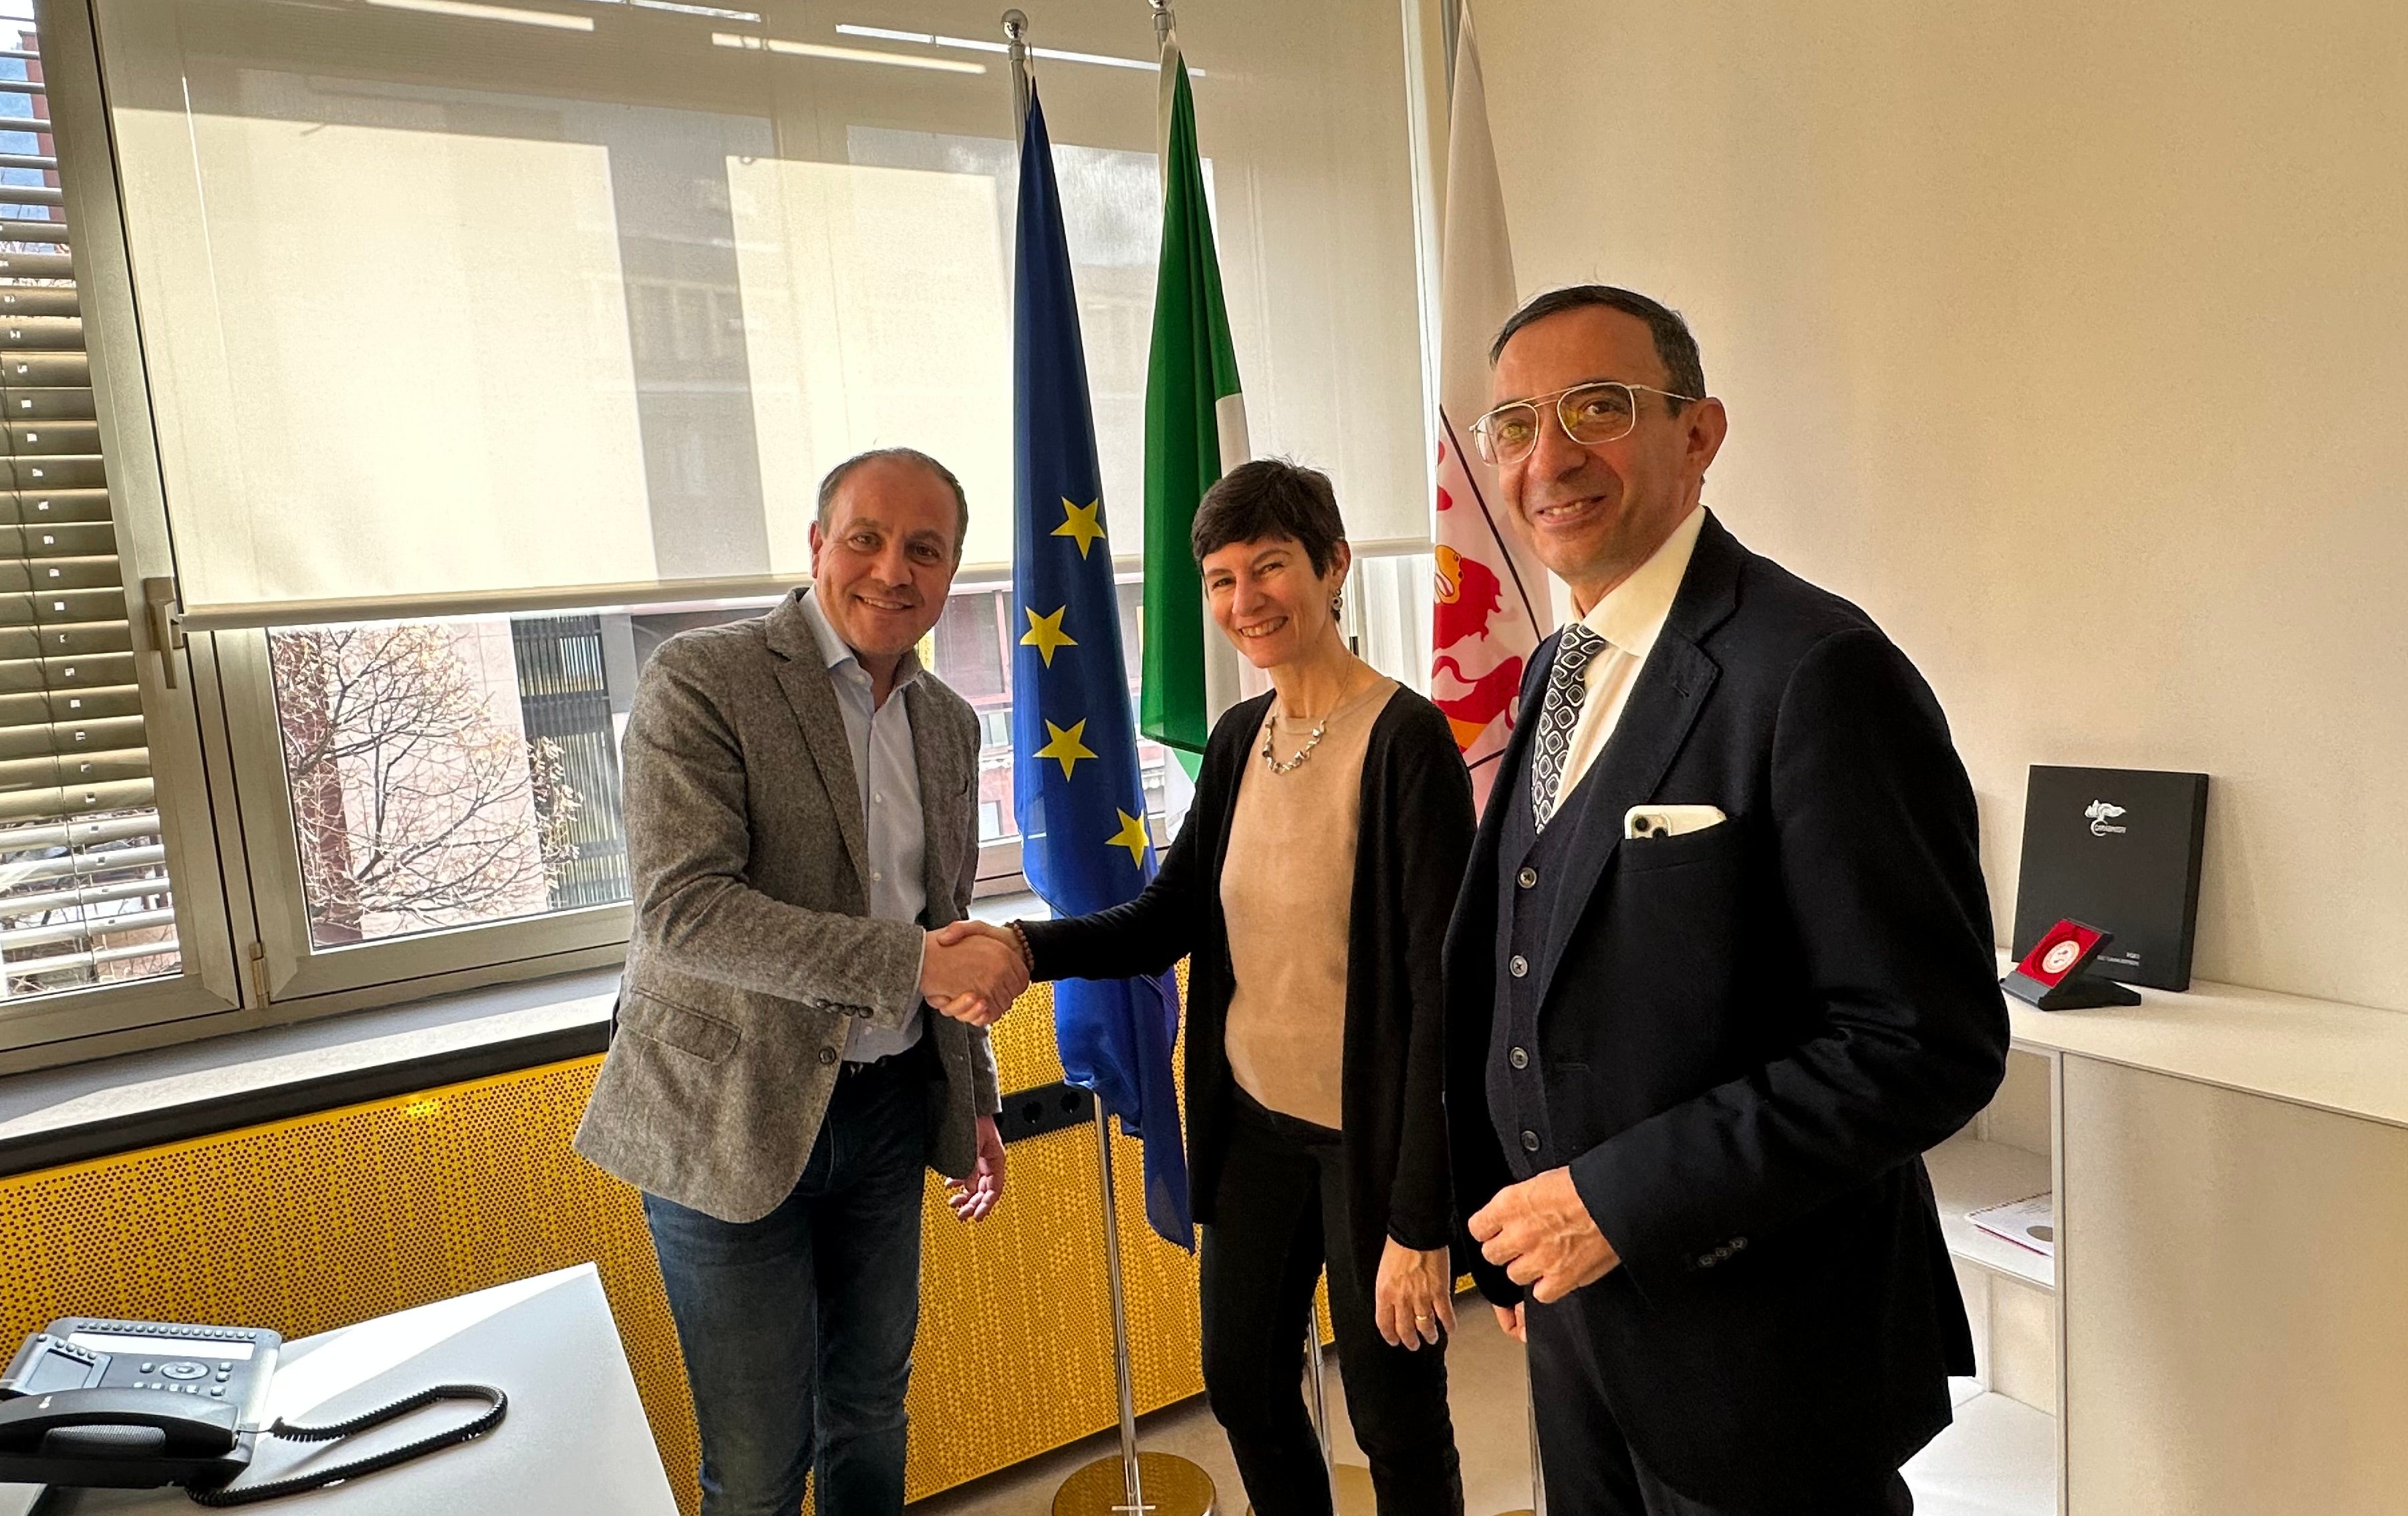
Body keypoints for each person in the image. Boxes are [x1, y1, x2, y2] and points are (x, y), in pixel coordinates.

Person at [1444, 285, 2011, 1515]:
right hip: (1581, 1323)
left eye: (1599, 408)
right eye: (1515, 425)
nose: (1550, 458)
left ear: (1698, 435)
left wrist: (1615, 1201)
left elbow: (1923, 1045)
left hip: (1767, 1352)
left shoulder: (1817, 671)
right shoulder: (1559, 660)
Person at [943, 460, 1477, 1516]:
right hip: (1251, 1132)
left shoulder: (1407, 742)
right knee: (1243, 1386)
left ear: (1333, 567)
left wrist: (1423, 1223)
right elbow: (1171, 918)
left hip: (1368, 1149)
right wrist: (1021, 949)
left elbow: (1440, 1002)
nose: (1245, 602)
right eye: (1221, 580)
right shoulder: (1240, 740)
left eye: (1270, 567)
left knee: (1392, 1414)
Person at [572, 447, 1032, 1516]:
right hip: (724, 1119)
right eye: (865, 537)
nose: (892, 570)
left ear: (952, 572)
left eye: (926, 549)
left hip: (882, 1115)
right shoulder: (705, 680)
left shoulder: (950, 725)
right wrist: (915, 963)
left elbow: (942, 921)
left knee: (871, 1413)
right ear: (816, 544)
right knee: (759, 1461)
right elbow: (687, 911)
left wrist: (974, 1100)